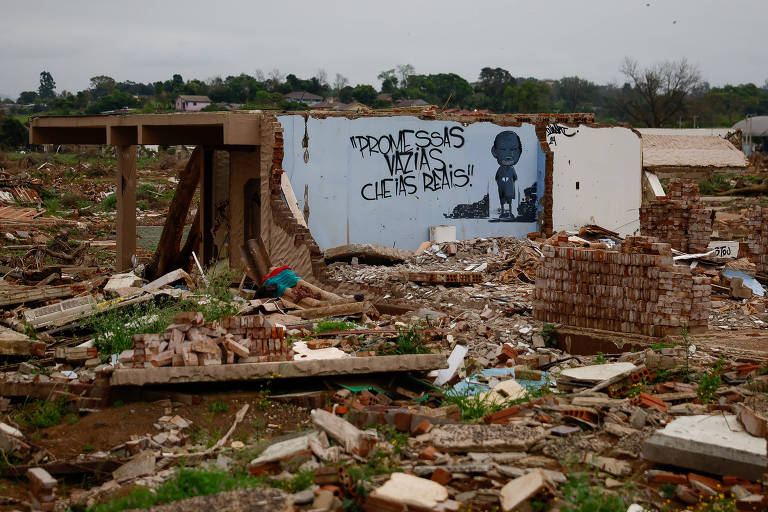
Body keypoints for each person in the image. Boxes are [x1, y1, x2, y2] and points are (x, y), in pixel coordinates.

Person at [492, 131, 522, 218]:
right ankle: (503, 212)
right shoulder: (500, 169)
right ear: (494, 152)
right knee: (502, 200)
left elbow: (514, 178)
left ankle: (509, 213)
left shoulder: (511, 169)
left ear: (519, 152)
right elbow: (497, 178)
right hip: (502, 189)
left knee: (509, 201)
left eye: (513, 149)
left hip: (509, 188)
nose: (508, 154)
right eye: (503, 150)